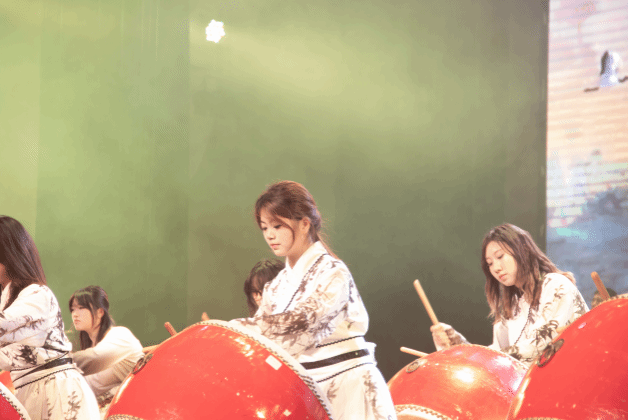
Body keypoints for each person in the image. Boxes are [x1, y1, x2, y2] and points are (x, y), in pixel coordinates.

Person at [231, 181, 396, 420]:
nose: (269, 235)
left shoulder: (333, 272)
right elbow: (259, 346)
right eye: (264, 228)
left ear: (304, 223)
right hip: (308, 392)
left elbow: (303, 324)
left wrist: (230, 330)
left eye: (277, 226)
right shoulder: (275, 287)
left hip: (350, 385)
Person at [431, 223, 588, 366]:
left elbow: (544, 344)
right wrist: (456, 346)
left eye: (500, 257)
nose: (496, 268)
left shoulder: (556, 285)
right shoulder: (511, 308)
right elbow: (497, 357)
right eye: (490, 263)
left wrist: (479, 357)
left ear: (523, 250)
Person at [0, 216, 99, 419]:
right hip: (30, 393)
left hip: (58, 391)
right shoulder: (7, 298)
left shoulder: (37, 294)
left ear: (9, 256)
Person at [70, 286, 143, 417]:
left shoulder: (120, 334)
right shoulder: (92, 347)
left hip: (135, 411)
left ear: (100, 312)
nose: (75, 314)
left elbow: (94, 358)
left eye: (81, 308)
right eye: (73, 309)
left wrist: (54, 360)